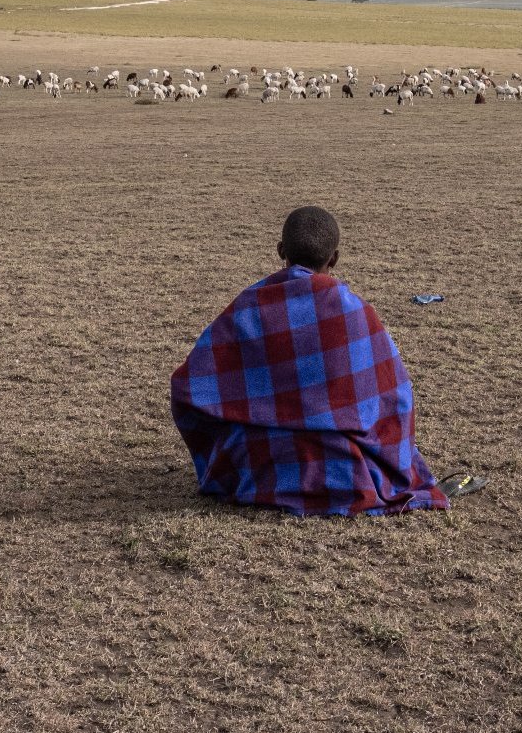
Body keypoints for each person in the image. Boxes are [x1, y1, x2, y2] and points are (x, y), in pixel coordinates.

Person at [170, 207, 450, 516]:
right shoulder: (355, 313)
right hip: (347, 472)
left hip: (260, 467)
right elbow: (396, 400)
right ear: (334, 258)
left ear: (280, 251)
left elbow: (188, 388)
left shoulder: (249, 307)